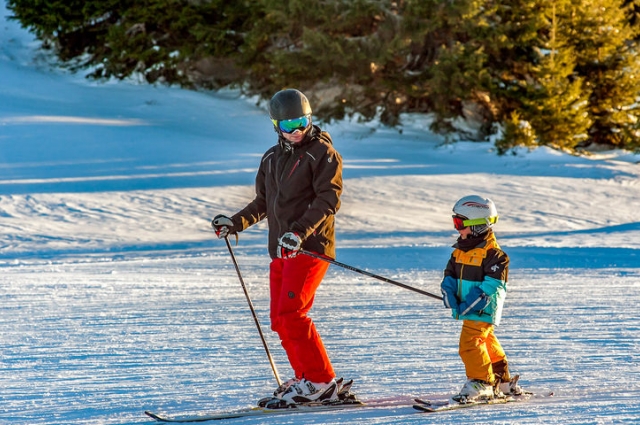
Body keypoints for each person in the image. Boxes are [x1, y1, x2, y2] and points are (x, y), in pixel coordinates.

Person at [211, 88, 344, 406]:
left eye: (302, 122)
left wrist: (298, 233)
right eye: (288, 125)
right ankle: (305, 377)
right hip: (282, 250)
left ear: (310, 119)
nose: (297, 130)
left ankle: (320, 380)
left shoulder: (322, 153)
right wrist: (235, 223)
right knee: (280, 318)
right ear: (276, 126)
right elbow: (263, 202)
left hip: (309, 247)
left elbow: (329, 199)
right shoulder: (271, 158)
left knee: (293, 313)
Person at [440, 195, 522, 402]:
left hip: (484, 307)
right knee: (485, 340)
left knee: (470, 342)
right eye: (455, 222)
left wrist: (470, 304)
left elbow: (492, 287)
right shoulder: (460, 251)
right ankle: (501, 380)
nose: (457, 229)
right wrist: (449, 294)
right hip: (470, 307)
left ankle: (482, 381)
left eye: (460, 223)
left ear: (477, 225)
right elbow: (449, 275)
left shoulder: (495, 255)